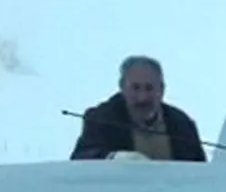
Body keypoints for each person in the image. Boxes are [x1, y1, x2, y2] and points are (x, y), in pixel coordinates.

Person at [70, 55, 207, 161]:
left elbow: (201, 173)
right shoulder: (101, 119)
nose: (142, 97)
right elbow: (80, 160)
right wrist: (113, 158)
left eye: (149, 88)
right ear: (122, 87)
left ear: (162, 90)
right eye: (135, 88)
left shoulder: (182, 125)